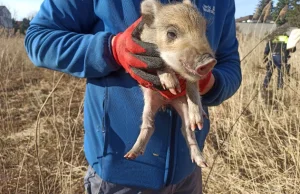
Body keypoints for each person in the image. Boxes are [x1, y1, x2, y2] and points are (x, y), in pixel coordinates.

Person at [24, 0, 241, 193]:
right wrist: (112, 49)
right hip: (119, 175)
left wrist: (211, 84)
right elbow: (39, 39)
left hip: (188, 173)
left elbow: (230, 63)